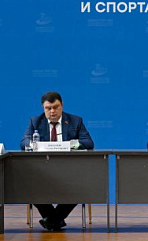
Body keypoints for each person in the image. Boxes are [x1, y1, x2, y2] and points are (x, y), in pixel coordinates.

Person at [20, 91, 95, 231]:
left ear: (62, 105)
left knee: (79, 187)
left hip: (70, 170)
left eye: (56, 107)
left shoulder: (75, 121)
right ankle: (55, 220)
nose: (52, 111)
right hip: (42, 170)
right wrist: (37, 145)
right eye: (48, 108)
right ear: (43, 108)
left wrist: (70, 144)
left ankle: (51, 220)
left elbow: (89, 143)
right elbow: (24, 142)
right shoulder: (35, 121)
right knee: (31, 186)